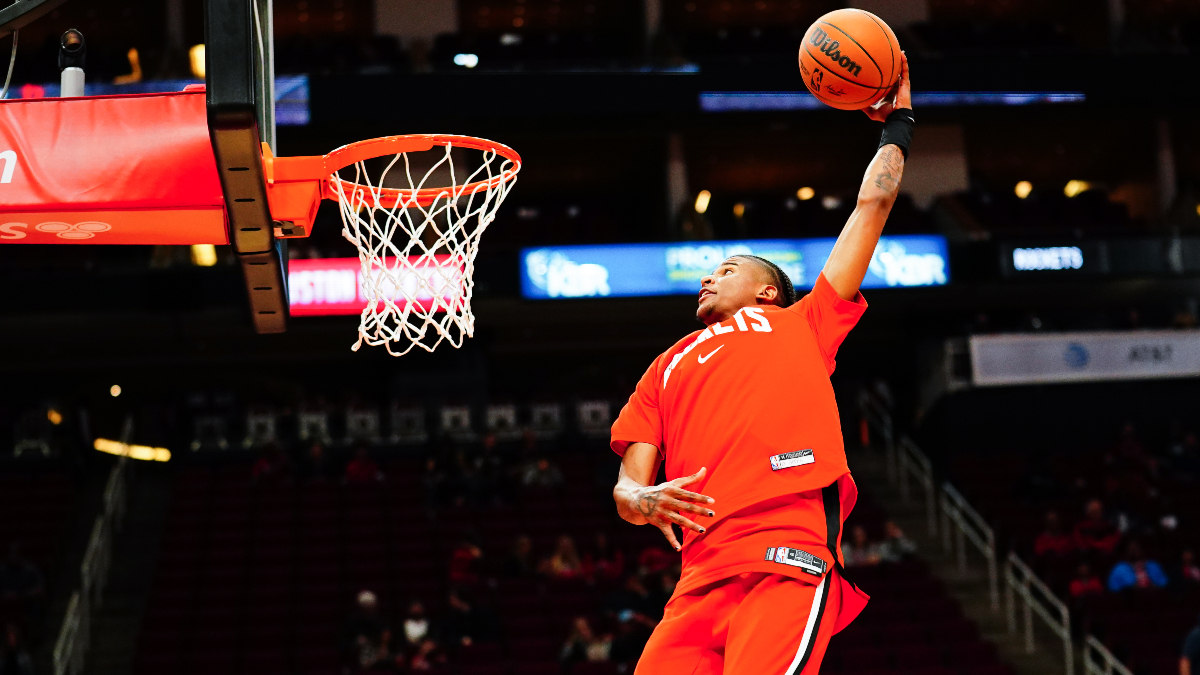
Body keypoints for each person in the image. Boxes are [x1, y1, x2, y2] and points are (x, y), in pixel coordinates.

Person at [609, 55, 912, 675]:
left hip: (785, 555)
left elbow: (873, 203)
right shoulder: (664, 366)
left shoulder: (802, 322)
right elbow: (627, 484)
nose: (707, 277)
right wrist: (640, 499)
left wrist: (897, 121)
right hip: (698, 581)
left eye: (726, 270)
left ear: (768, 292)